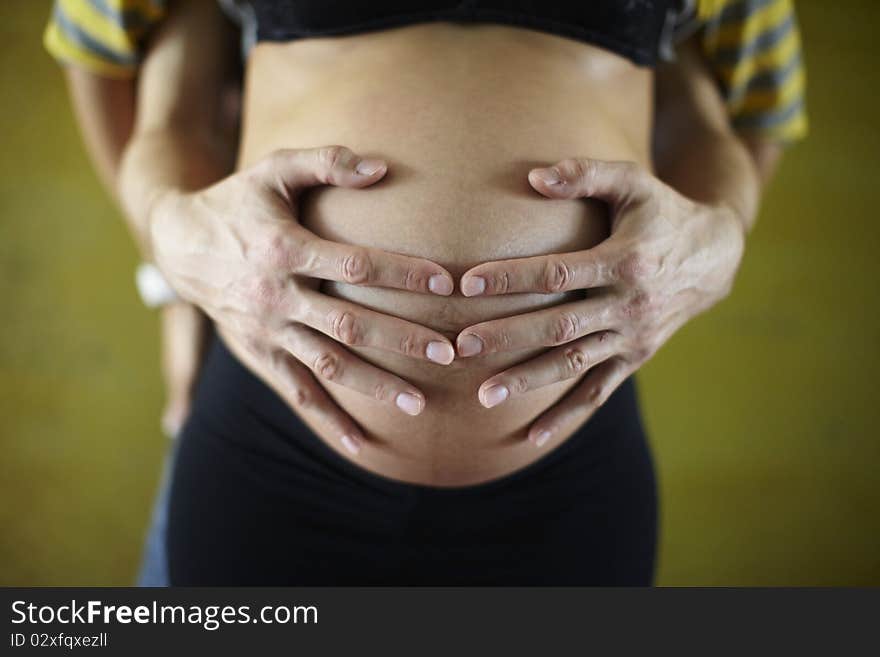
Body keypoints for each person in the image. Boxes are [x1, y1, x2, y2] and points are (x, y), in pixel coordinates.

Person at [46, 0, 807, 585]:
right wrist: (171, 256)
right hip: (274, 443)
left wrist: (721, 236)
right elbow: (107, 50)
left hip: (569, 465)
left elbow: (742, 101)